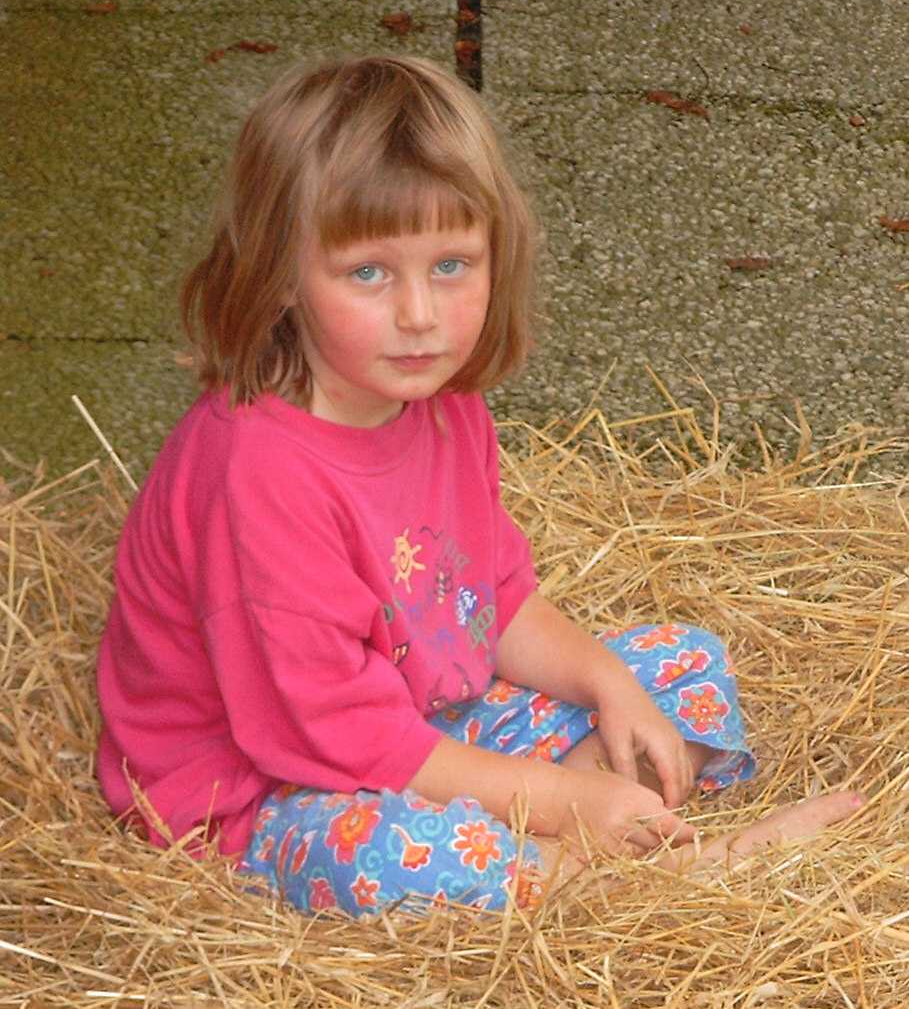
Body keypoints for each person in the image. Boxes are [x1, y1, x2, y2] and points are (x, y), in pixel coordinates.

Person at [96, 53, 860, 918]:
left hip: (419, 723)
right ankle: (640, 875)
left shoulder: (440, 402)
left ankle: (581, 843)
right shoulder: (257, 471)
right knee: (384, 853)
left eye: (451, 264)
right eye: (368, 272)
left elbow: (490, 600)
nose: (419, 315)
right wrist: (558, 796)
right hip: (269, 787)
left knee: (680, 667)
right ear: (279, 274)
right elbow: (335, 735)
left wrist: (606, 682)